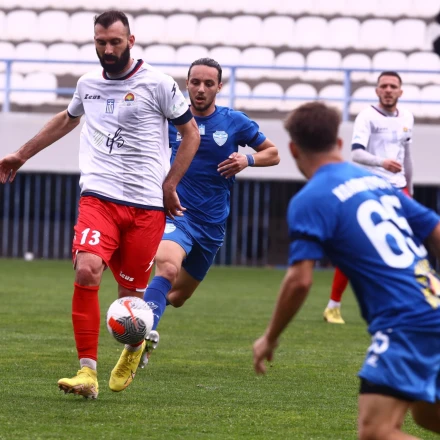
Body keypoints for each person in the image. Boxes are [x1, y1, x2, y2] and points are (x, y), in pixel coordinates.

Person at [0, 10, 201, 399]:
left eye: (115, 42)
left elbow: (190, 133)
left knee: (130, 299)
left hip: (146, 206)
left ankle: (134, 346)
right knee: (87, 268)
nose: (108, 49)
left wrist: (170, 184)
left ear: (131, 41)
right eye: (101, 42)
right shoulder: (88, 84)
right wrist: (20, 155)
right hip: (99, 198)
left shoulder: (159, 84)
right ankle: (87, 372)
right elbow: (67, 119)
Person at [253, 101, 440, 440]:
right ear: (339, 142)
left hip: (406, 322)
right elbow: (435, 230)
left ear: (293, 149)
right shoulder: (375, 181)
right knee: (427, 414)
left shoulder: (311, 199)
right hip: (434, 304)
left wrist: (270, 337)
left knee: (375, 431)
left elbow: (299, 281)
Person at [133, 57, 280, 370]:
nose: (201, 89)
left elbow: (273, 153)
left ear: (219, 87)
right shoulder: (169, 120)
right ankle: (139, 338)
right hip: (176, 212)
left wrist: (248, 160)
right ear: (186, 84)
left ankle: (148, 310)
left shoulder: (233, 121)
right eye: (195, 82)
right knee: (167, 268)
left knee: (179, 296)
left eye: (208, 83)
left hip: (212, 223)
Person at [324, 71, 414, 324]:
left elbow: (407, 156)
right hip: (371, 187)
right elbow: (356, 153)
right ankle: (333, 305)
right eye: (384, 86)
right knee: (355, 246)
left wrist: (410, 189)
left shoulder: (407, 117)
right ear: (377, 91)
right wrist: (382, 162)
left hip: (399, 188)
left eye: (393, 86)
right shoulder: (367, 116)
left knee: (403, 246)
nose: (388, 90)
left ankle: (400, 303)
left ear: (400, 91)